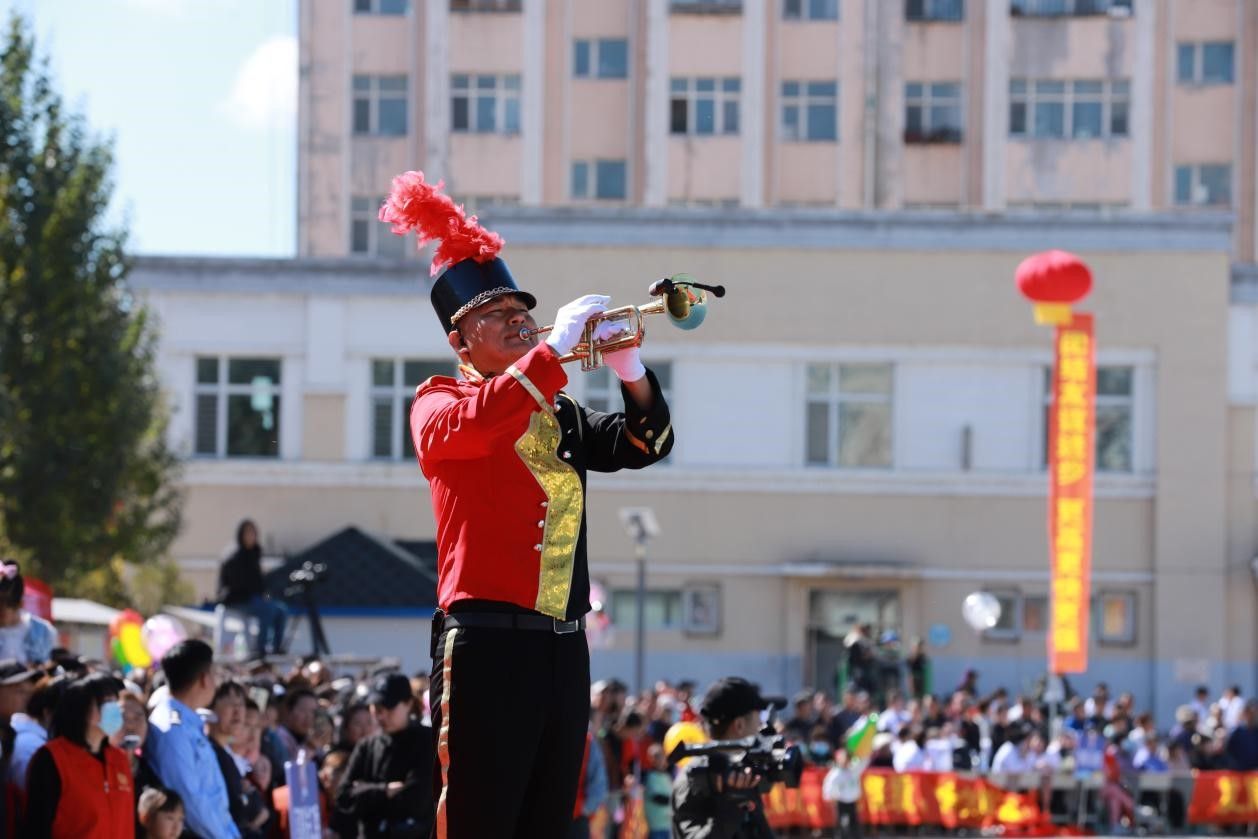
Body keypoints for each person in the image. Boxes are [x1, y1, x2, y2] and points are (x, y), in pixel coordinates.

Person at [383, 170, 674, 837]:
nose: (519, 321)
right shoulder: (439, 400)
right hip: (485, 643)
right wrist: (550, 352)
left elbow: (644, 443)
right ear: (460, 341)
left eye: (523, 312)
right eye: (499, 315)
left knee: (548, 820)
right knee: (480, 819)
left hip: (563, 647)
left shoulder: (556, 408)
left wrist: (630, 370)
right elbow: (483, 422)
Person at [145, 639, 240, 839]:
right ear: (204, 679)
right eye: (213, 675)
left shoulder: (187, 722)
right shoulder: (172, 728)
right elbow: (190, 798)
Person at [23, 672, 134, 839]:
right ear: (81, 709)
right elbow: (36, 827)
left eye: (114, 701)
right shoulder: (52, 758)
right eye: (106, 702)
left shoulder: (119, 759)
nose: (114, 708)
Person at [671, 677, 780, 839]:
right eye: (758, 717)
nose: (760, 725)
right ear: (739, 725)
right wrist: (733, 804)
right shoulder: (696, 777)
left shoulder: (742, 770)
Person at [335, 672, 433, 839]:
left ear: (408, 703)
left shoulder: (426, 741)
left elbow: (417, 801)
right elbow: (343, 797)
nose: (381, 715)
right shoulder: (366, 746)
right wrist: (384, 790)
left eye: (389, 708)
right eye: (377, 708)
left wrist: (365, 790)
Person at [217, 520, 287, 657]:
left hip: (254, 599)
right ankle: (260, 649)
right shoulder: (234, 556)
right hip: (236, 599)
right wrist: (259, 597)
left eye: (253, 533)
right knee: (267, 610)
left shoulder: (254, 554)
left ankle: (275, 648)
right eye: (248, 533)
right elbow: (234, 585)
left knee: (280, 610)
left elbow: (261, 586)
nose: (251, 536)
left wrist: (267, 597)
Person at [0, 560, 56, 664]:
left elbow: (47, 665)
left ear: (19, 603)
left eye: (6, 603)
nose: (1, 608)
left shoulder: (42, 631)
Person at [822, 746, 864, 839]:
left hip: (852, 801)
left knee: (854, 823)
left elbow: (862, 764)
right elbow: (828, 786)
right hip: (841, 801)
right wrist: (829, 798)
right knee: (842, 824)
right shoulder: (835, 773)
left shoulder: (853, 770)